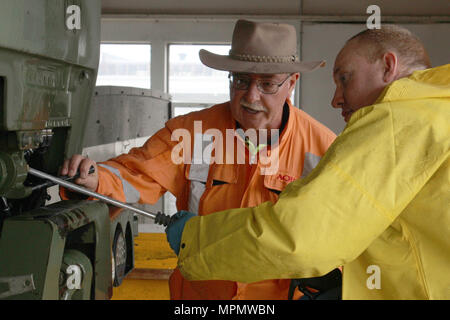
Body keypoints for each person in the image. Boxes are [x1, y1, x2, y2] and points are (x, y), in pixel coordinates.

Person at [166, 25, 450, 299]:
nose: (335, 100)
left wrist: (196, 238)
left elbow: (301, 235)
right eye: (241, 80)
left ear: (388, 66)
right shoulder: (438, 111)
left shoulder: (396, 122)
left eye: (345, 78)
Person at [61, 19, 337, 299]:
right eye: (241, 80)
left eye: (267, 84)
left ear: (291, 82)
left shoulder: (323, 149)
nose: (251, 96)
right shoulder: (192, 133)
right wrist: (96, 179)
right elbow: (136, 173)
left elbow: (338, 235)